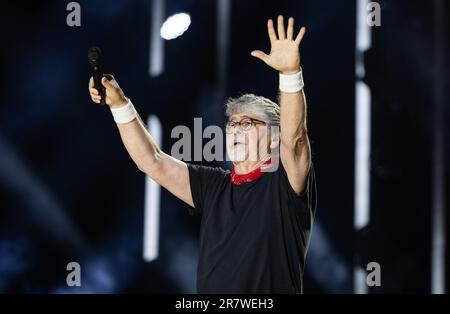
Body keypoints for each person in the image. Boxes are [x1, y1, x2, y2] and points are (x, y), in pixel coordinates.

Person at [89, 15, 317, 294]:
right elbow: (153, 161)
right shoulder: (214, 186)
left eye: (246, 123)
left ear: (272, 138)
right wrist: (120, 105)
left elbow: (295, 140)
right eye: (232, 124)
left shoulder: (282, 184)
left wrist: (290, 75)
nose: (235, 130)